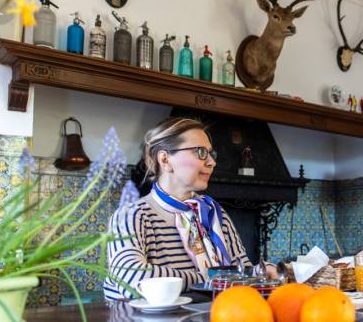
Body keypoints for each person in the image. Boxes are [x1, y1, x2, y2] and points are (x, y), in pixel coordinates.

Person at [103, 117, 252, 300]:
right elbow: (131, 279)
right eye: (200, 152)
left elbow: (244, 271)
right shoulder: (131, 216)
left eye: (211, 153)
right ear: (165, 160)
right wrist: (213, 278)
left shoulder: (214, 213)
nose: (212, 162)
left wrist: (264, 271)